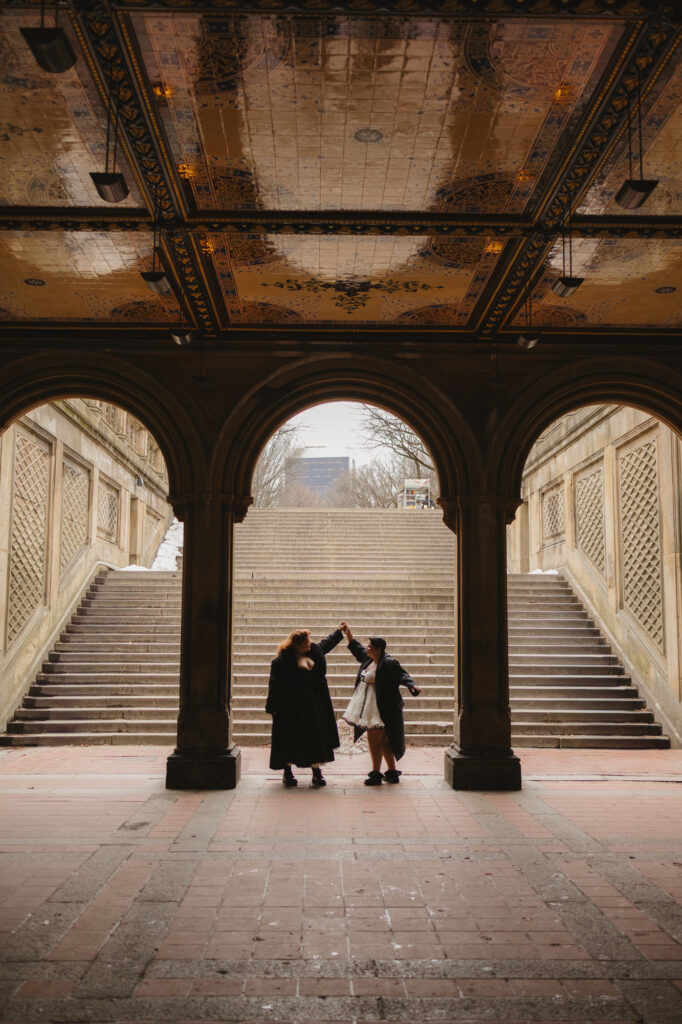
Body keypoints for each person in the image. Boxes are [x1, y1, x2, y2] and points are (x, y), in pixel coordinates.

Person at [266, 624, 346, 788]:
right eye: (306, 643)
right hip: (289, 709)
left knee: (313, 738)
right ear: (296, 645)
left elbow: (325, 644)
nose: (309, 645)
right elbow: (274, 685)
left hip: (312, 708)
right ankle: (287, 773)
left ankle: (316, 773)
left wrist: (339, 632)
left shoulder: (313, 654)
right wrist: (272, 708)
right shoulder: (281, 663)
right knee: (288, 739)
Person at [341, 626, 421, 786]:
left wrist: (412, 685)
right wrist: (348, 634)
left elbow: (402, 675)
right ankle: (391, 772)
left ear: (378, 649)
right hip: (368, 705)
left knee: (374, 738)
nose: (366, 648)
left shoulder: (389, 662)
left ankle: (376, 773)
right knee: (384, 740)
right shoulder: (369, 659)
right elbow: (357, 650)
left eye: (369, 646)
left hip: (381, 707)